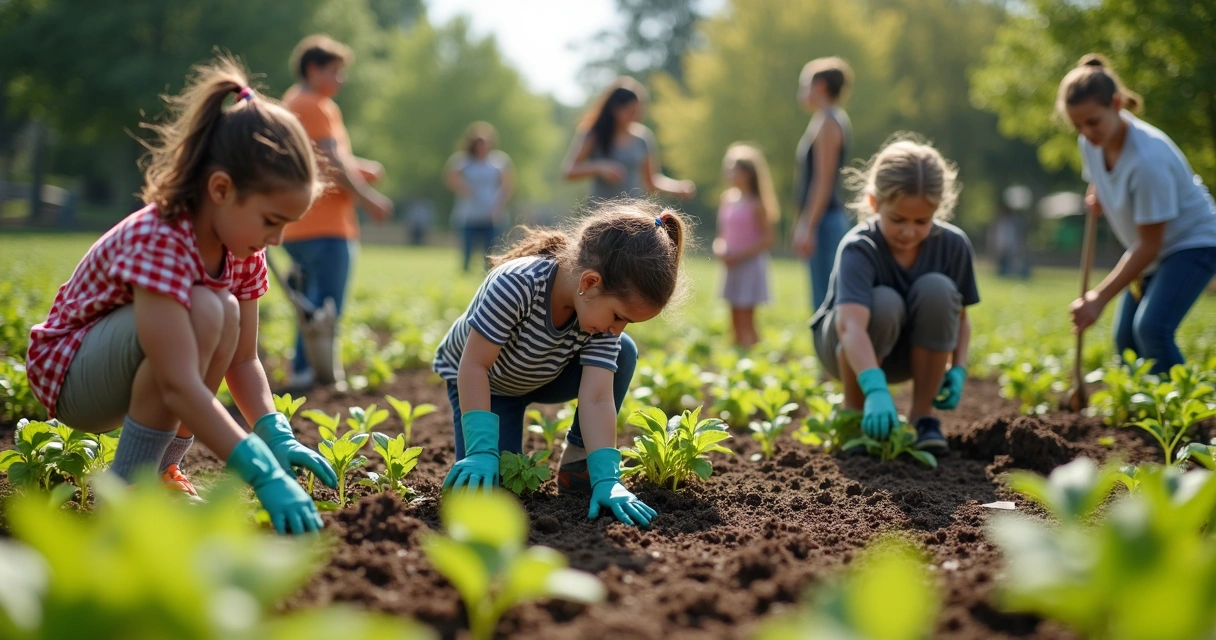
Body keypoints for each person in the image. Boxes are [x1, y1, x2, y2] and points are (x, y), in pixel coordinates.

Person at [24, 58, 337, 534]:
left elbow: (243, 360)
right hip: (70, 374)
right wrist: (261, 470)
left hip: (128, 367)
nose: (276, 240)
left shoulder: (242, 248)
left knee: (223, 314)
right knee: (210, 310)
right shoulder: (164, 235)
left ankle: (160, 470)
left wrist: (276, 433)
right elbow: (175, 382)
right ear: (220, 188)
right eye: (271, 220)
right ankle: (126, 495)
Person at [433, 200, 689, 527]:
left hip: (542, 373)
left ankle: (578, 465)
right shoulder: (515, 284)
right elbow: (473, 367)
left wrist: (606, 477)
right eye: (618, 316)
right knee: (498, 493)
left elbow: (597, 396)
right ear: (589, 283)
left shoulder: (599, 317)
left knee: (623, 351)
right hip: (486, 384)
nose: (616, 328)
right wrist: (481, 451)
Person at [811, 137, 979, 452]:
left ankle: (922, 419)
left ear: (938, 210)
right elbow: (849, 326)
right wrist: (875, 389)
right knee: (885, 301)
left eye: (922, 221)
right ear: (874, 204)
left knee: (939, 290)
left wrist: (958, 368)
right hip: (844, 346)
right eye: (898, 219)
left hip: (911, 355)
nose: (908, 231)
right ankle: (854, 413)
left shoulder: (953, 246)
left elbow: (961, 318)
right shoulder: (859, 248)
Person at [1060, 55, 1216, 374]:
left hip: (1193, 243)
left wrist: (1097, 298)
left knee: (1151, 330)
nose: (1086, 132)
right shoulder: (1091, 143)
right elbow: (1099, 180)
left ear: (1116, 104)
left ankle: (1186, 415)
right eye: (1077, 125)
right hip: (1155, 249)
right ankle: (1136, 417)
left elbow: (1149, 245)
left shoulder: (1148, 160)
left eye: (1093, 121)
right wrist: (1098, 195)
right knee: (1125, 339)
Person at [281, 35, 393, 389]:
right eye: (335, 71)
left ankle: (306, 369)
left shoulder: (294, 102)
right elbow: (331, 161)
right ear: (313, 69)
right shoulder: (315, 104)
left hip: (299, 223)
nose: (341, 79)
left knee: (311, 299)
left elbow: (327, 157)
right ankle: (311, 373)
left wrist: (359, 167)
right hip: (325, 224)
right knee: (324, 306)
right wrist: (368, 197)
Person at [562, 77, 696, 201]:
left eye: (638, 112)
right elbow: (569, 171)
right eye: (631, 112)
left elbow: (652, 181)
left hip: (632, 218)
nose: (636, 117)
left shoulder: (643, 138)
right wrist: (600, 167)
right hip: (601, 218)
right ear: (615, 109)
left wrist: (677, 187)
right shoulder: (594, 134)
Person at [794, 57, 854, 312]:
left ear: (819, 86)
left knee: (825, 302)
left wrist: (808, 225)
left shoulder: (828, 122)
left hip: (825, 222)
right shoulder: (825, 119)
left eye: (804, 84)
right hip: (824, 221)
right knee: (823, 299)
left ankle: (831, 351)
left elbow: (823, 180)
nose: (801, 92)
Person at [712, 143, 779, 349]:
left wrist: (739, 255)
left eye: (737, 170)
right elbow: (722, 234)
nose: (732, 174)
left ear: (749, 174)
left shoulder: (756, 203)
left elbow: (767, 239)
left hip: (749, 265)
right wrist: (720, 248)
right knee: (732, 317)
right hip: (731, 264)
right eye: (730, 168)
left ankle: (753, 354)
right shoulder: (728, 199)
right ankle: (739, 354)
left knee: (746, 318)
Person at [445, 122, 515, 272]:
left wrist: (499, 205)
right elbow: (451, 178)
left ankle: (488, 274)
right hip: (468, 213)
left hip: (491, 213)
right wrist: (466, 189)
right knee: (467, 249)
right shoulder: (463, 161)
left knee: (491, 250)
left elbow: (507, 184)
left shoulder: (499, 161)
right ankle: (465, 272)